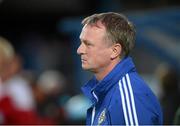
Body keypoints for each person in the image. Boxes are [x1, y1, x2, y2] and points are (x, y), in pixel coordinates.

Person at [77, 12, 163, 125]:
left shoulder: (131, 95)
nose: (79, 50)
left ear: (114, 51)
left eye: (88, 44)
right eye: (81, 42)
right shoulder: (104, 93)